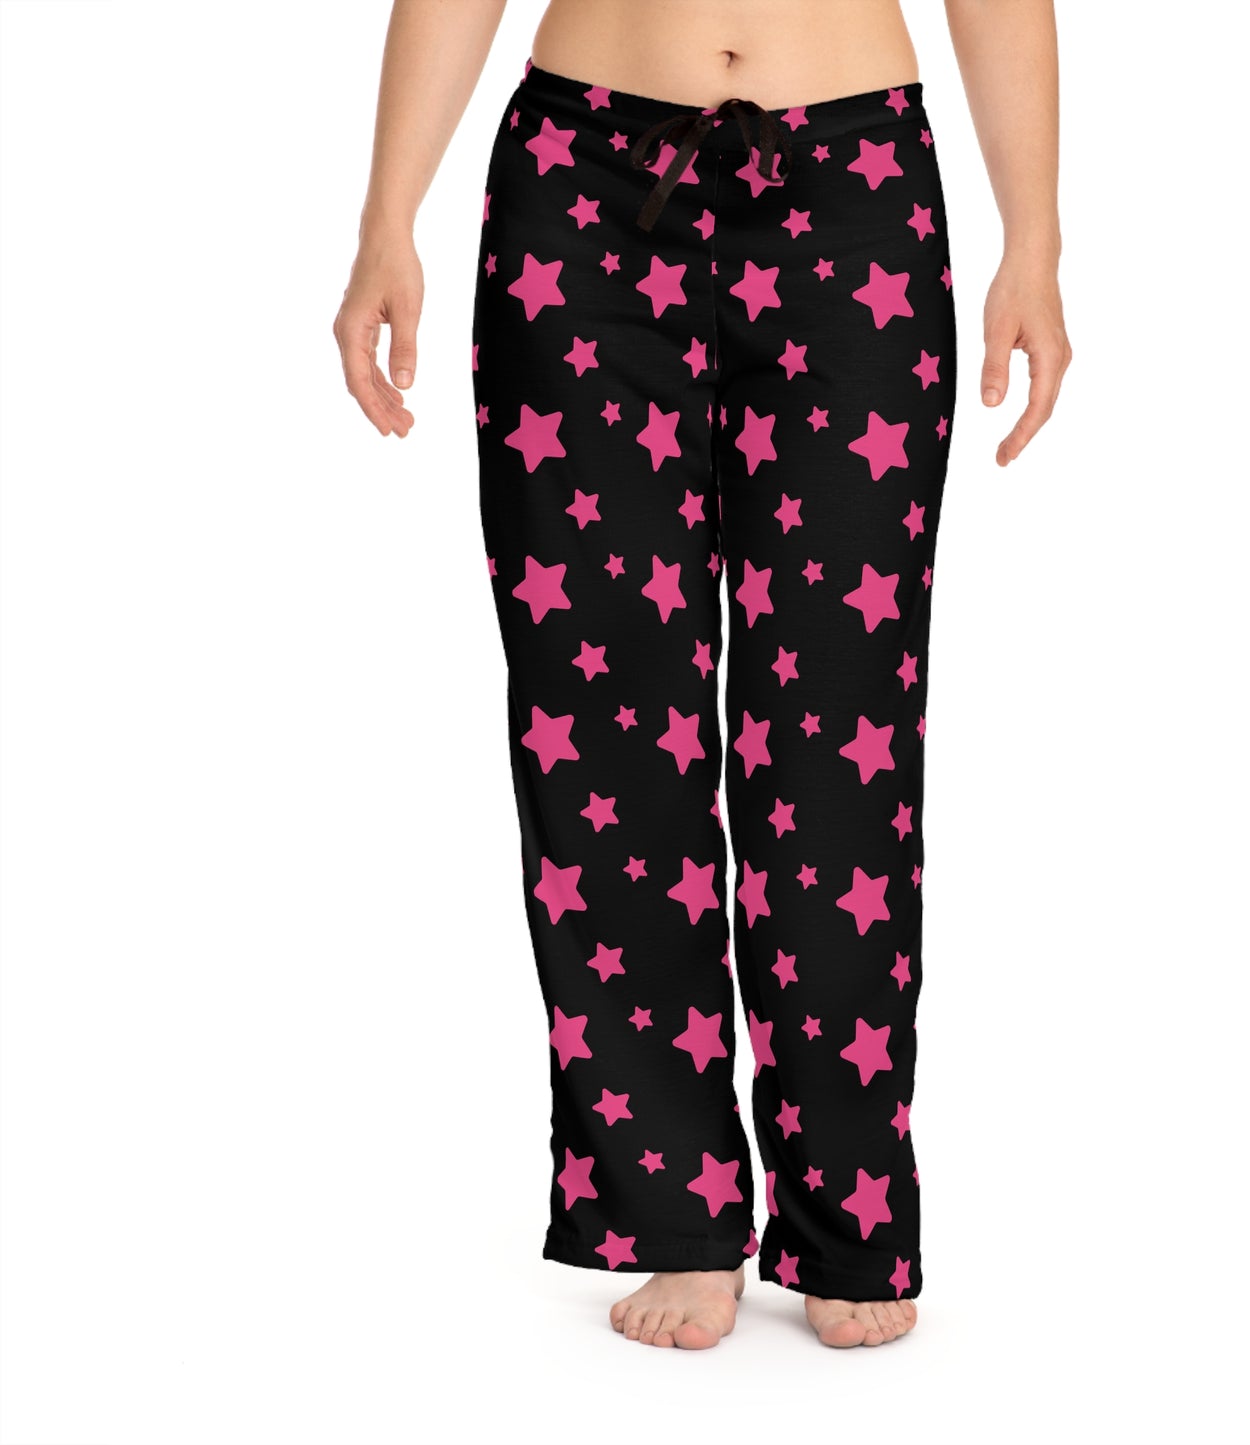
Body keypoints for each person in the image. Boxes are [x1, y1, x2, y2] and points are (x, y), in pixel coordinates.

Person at [333, 0, 1069, 1351]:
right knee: (600, 724)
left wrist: (1035, 237)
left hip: (850, 188)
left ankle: (848, 1214)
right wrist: (390, 214)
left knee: (839, 729)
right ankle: (670, 1209)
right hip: (581, 192)